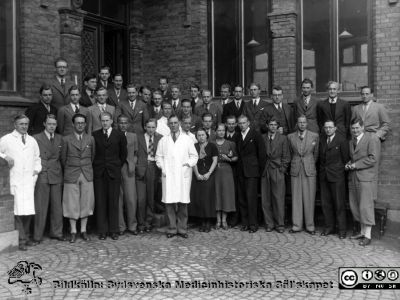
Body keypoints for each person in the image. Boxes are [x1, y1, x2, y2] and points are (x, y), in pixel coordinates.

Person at [0, 115, 41, 251]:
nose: (24, 126)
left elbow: (37, 158)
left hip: (28, 180)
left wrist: (36, 170)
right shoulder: (7, 139)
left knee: (28, 211)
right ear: (15, 125)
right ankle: (21, 240)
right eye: (21, 124)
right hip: (15, 179)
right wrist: (5, 157)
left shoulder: (32, 140)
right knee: (18, 211)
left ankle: (27, 237)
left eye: (26, 124)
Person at [155, 115, 198, 238]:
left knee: (183, 202)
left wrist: (188, 164)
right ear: (168, 125)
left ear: (179, 123)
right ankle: (172, 229)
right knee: (169, 202)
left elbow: (194, 156)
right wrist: (163, 168)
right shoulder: (164, 140)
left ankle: (182, 229)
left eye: (175, 123)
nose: (173, 125)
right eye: (171, 123)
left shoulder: (187, 139)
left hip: (182, 174)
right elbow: (158, 157)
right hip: (168, 175)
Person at [345, 118, 380, 246]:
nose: (355, 130)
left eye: (357, 128)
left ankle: (368, 236)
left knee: (366, 206)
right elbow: (353, 158)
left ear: (362, 127)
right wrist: (349, 164)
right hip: (353, 177)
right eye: (353, 128)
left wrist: (355, 165)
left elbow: (373, 158)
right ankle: (361, 232)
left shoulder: (371, 139)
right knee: (355, 206)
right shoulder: (351, 142)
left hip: (365, 178)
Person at [92, 112, 127, 240]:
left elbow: (123, 154)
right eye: (102, 120)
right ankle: (102, 230)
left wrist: (116, 166)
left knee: (113, 202)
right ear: (100, 121)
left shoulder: (119, 135)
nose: (105, 123)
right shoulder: (95, 135)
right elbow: (93, 153)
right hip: (99, 173)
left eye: (107, 120)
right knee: (100, 201)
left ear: (112, 121)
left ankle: (113, 230)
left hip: (114, 172)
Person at [61, 113, 95, 243]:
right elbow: (63, 158)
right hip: (71, 173)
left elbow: (92, 156)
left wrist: (85, 167)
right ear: (73, 124)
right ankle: (73, 231)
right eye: (77, 123)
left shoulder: (90, 139)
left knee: (86, 202)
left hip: (86, 173)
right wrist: (71, 167)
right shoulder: (66, 139)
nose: (80, 125)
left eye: (82, 123)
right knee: (71, 202)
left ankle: (83, 230)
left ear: (85, 124)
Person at [33, 115, 65, 243]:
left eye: (54, 124)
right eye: (49, 124)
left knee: (57, 206)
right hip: (43, 173)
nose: (52, 126)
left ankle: (57, 232)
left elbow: (62, 158)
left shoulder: (60, 138)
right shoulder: (36, 138)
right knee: (41, 206)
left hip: (56, 174)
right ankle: (37, 235)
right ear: (44, 124)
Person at [287, 116, 319, 234]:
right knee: (296, 197)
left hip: (309, 168)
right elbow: (289, 153)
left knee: (309, 197)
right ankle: (296, 225)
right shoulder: (290, 137)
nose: (302, 124)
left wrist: (309, 163)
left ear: (307, 123)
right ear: (297, 123)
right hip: (296, 168)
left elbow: (316, 154)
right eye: (299, 122)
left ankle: (310, 226)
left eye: (304, 122)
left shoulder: (314, 136)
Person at [319, 120, 349, 239]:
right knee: (326, 204)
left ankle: (342, 230)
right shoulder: (322, 140)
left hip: (337, 177)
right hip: (324, 176)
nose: (328, 129)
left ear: (335, 128)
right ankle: (329, 227)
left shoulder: (341, 140)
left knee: (339, 204)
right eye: (326, 127)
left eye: (330, 127)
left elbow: (346, 158)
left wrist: (339, 171)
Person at [236, 115, 266, 233]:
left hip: (252, 171)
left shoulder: (256, 135)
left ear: (248, 123)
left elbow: (262, 154)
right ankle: (245, 223)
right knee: (242, 198)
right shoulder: (238, 136)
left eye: (244, 123)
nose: (242, 125)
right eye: (240, 123)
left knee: (251, 199)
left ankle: (253, 224)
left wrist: (259, 171)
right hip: (241, 170)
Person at [261, 118, 290, 233]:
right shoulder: (262, 138)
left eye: (275, 125)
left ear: (278, 127)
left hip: (277, 169)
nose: (273, 127)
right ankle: (269, 223)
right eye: (271, 125)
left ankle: (280, 224)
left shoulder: (283, 138)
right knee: (265, 198)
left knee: (278, 198)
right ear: (267, 125)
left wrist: (282, 169)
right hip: (265, 170)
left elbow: (286, 156)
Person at [189, 128, 218, 232]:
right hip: (198, 173)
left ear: (206, 136)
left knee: (207, 198)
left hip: (209, 174)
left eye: (203, 135)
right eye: (199, 135)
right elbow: (193, 161)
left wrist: (209, 173)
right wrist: (197, 174)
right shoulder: (194, 146)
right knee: (199, 198)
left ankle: (208, 221)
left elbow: (215, 160)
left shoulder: (212, 146)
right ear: (196, 137)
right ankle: (201, 221)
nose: (201, 137)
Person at [136, 119, 162, 233]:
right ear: (145, 127)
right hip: (141, 168)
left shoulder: (160, 138)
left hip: (153, 168)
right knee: (141, 198)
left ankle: (148, 222)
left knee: (151, 197)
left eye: (153, 127)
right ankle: (140, 223)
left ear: (156, 127)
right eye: (149, 127)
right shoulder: (138, 137)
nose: (151, 129)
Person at [117, 115, 139, 235]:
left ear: (128, 124)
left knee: (131, 199)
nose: (123, 125)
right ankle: (121, 227)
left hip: (129, 169)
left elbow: (136, 152)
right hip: (116, 169)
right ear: (117, 124)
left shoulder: (133, 136)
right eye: (120, 122)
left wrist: (133, 163)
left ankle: (132, 225)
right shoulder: (114, 134)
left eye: (125, 123)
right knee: (118, 199)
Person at [214, 124, 237, 230]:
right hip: (215, 172)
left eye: (223, 130)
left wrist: (229, 159)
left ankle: (224, 220)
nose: (221, 132)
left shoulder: (230, 143)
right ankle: (218, 220)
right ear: (216, 132)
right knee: (217, 194)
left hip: (227, 172)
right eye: (219, 130)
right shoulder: (211, 143)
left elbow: (236, 157)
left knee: (226, 195)